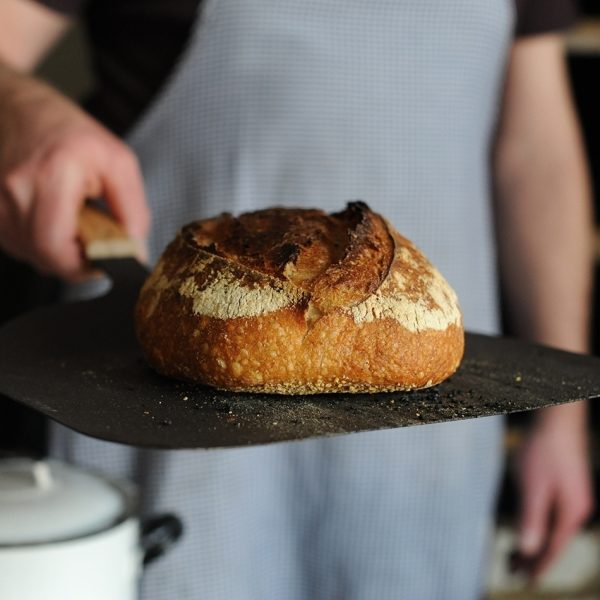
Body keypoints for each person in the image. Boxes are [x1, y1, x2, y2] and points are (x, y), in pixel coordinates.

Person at [0, 0, 594, 598]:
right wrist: (19, 107)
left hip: (430, 406)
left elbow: (535, 150)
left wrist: (561, 424)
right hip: (169, 400)